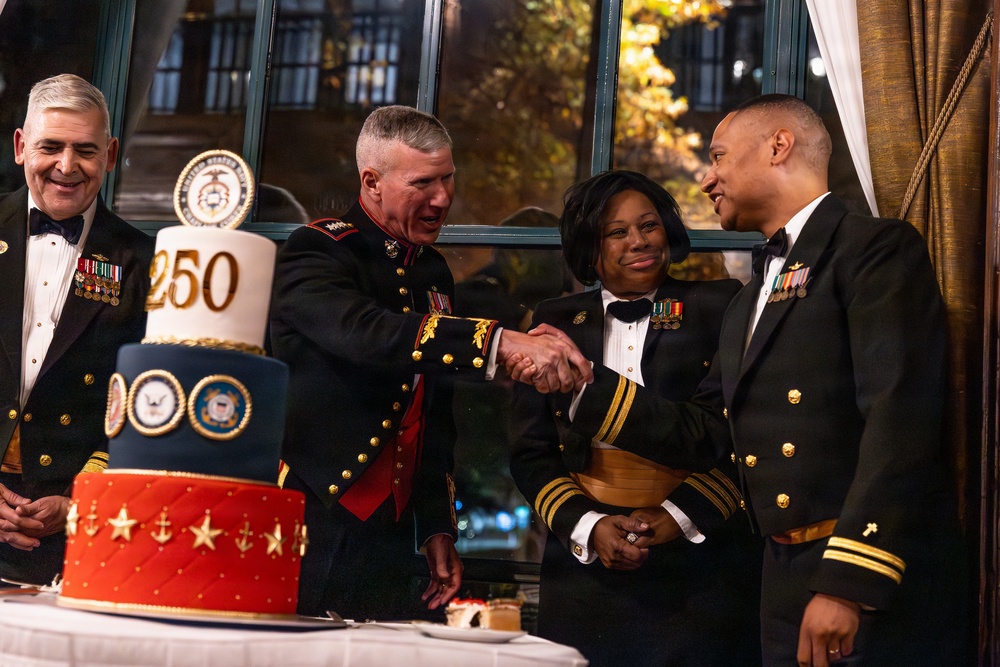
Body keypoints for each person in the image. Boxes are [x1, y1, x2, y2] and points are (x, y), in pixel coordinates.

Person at [511, 94, 968, 665]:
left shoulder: (873, 250)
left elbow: (901, 425)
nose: (707, 179)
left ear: (779, 146)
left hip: (849, 574)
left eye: (719, 156)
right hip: (777, 577)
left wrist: (849, 581)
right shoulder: (753, 295)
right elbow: (710, 432)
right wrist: (583, 386)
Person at [269, 105, 592, 620]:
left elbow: (430, 413)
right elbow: (367, 333)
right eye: (423, 183)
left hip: (392, 528)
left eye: (448, 179)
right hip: (313, 515)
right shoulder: (318, 250)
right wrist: (499, 343)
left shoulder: (433, 271)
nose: (442, 199)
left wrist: (435, 522)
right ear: (371, 182)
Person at [508, 170, 761, 666]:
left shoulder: (720, 306)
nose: (639, 241)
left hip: (700, 563)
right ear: (589, 247)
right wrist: (590, 525)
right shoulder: (554, 321)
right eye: (617, 232)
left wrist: (674, 517)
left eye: (649, 225)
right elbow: (530, 451)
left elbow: (740, 436)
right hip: (583, 571)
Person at [0, 74, 154, 585]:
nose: (67, 167)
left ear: (109, 154)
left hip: (77, 532)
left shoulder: (146, 262)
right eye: (51, 147)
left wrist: (81, 500)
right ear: (22, 147)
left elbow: (146, 403)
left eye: (85, 150)